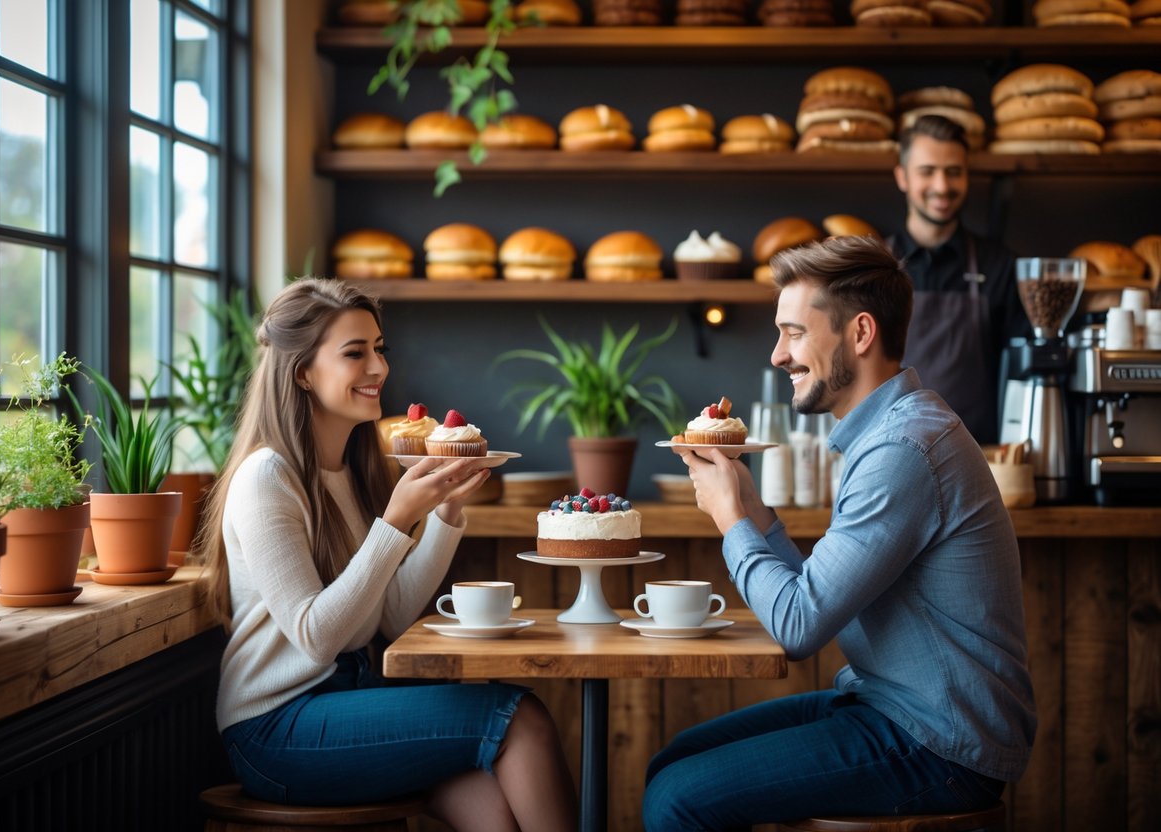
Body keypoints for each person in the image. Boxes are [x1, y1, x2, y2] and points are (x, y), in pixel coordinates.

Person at [643, 236, 1036, 831]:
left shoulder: (903, 450)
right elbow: (820, 592)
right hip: (888, 705)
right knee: (673, 763)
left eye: (794, 333)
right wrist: (751, 507)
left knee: (677, 798)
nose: (777, 356)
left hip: (941, 740)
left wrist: (729, 520)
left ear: (859, 333)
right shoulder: (888, 432)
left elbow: (799, 624)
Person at [197, 278, 576, 832]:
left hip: (349, 699)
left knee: (488, 805)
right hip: (277, 728)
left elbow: (390, 618)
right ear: (302, 372)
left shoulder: (348, 472)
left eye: (379, 349)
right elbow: (318, 637)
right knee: (519, 717)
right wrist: (396, 521)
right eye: (355, 353)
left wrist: (445, 514)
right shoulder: (266, 478)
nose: (378, 367)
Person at [887, 114, 1030, 445]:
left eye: (954, 172)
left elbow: (1021, 373)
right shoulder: (873, 266)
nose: (942, 186)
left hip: (982, 458)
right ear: (902, 177)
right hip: (890, 456)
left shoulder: (1000, 265)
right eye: (927, 172)